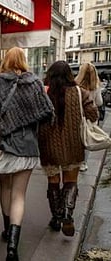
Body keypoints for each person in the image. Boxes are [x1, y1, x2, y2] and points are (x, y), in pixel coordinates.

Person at [0, 47, 54, 261]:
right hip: (27, 146)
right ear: (24, 61)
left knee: (6, 189)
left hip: (3, 146)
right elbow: (47, 113)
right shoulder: (35, 84)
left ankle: (6, 230)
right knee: (19, 195)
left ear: (5, 61)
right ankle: (13, 245)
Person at [38, 61, 98, 237]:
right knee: (70, 181)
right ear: (69, 75)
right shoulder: (80, 92)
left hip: (48, 144)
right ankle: (67, 216)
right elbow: (93, 114)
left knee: (53, 182)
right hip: (73, 144)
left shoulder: (44, 92)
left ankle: (56, 218)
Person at [75, 62, 103, 172]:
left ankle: (76, 160)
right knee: (87, 140)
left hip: (78, 116)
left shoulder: (76, 86)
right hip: (90, 118)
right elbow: (99, 102)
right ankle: (83, 163)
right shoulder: (95, 87)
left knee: (78, 140)